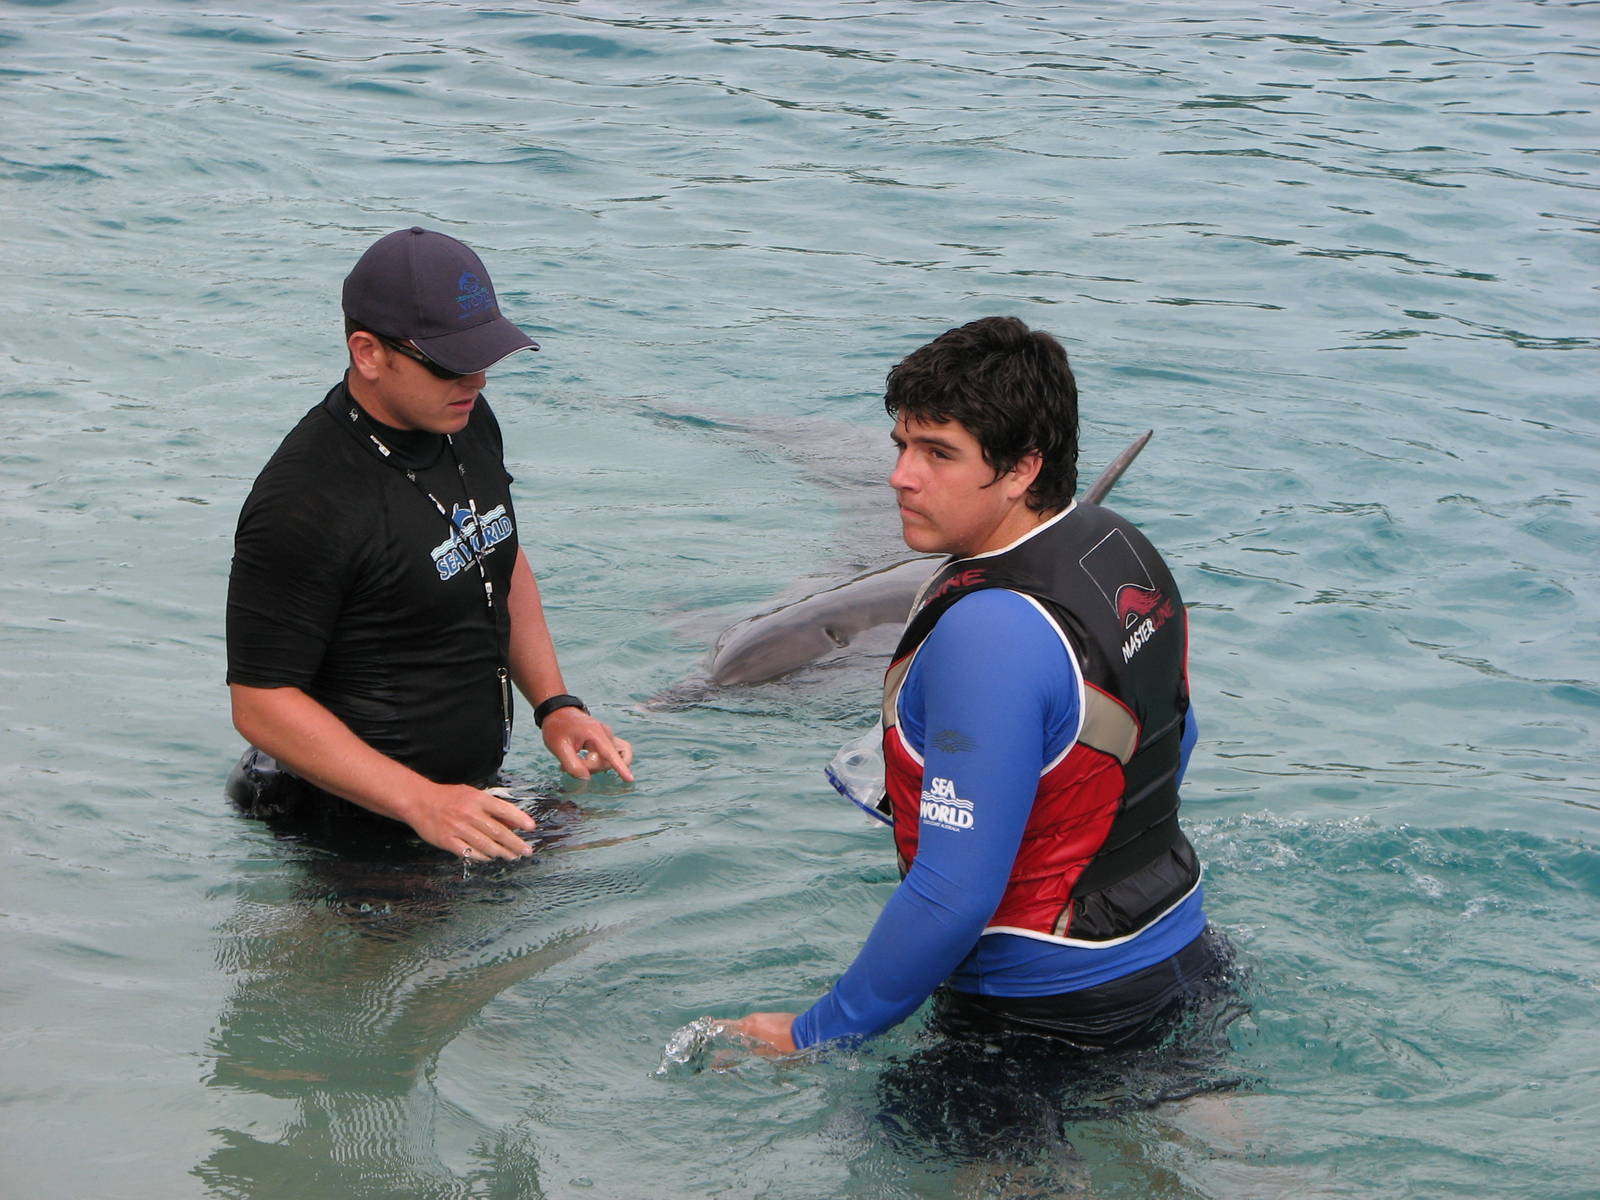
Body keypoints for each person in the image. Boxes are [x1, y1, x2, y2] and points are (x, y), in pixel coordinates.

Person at [727, 316, 1227, 1055]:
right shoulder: (1120, 546)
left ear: (1023, 468)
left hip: (1042, 1011)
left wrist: (817, 1030)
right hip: (1180, 948)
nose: (901, 475)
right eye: (901, 446)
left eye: (938, 453)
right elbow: (1172, 738)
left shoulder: (988, 632)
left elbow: (953, 895)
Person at [226, 226, 633, 861]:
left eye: (484, 356)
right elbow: (261, 703)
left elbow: (497, 555)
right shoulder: (304, 500)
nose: (476, 380)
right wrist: (421, 802)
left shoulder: (463, 421)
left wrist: (555, 705)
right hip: (346, 820)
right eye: (449, 362)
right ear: (368, 353)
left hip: (459, 798)